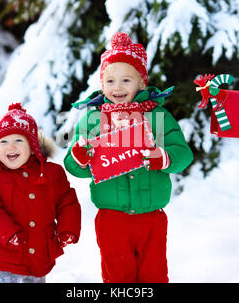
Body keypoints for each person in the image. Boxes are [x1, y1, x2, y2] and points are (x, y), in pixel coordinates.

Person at [63, 32, 193, 283]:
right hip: (112, 218)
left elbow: (183, 154)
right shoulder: (92, 120)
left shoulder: (158, 118)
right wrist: (79, 157)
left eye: (126, 79)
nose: (117, 87)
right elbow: (74, 167)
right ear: (102, 84)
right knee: (117, 275)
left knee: (153, 274)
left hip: (150, 217)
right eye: (110, 80)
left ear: (142, 83)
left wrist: (163, 158)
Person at [0, 103, 81, 283]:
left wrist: (67, 229)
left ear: (33, 146)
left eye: (18, 140)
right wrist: (8, 232)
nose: (10, 146)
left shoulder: (51, 174)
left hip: (38, 256)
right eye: (3, 141)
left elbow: (67, 202)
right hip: (3, 257)